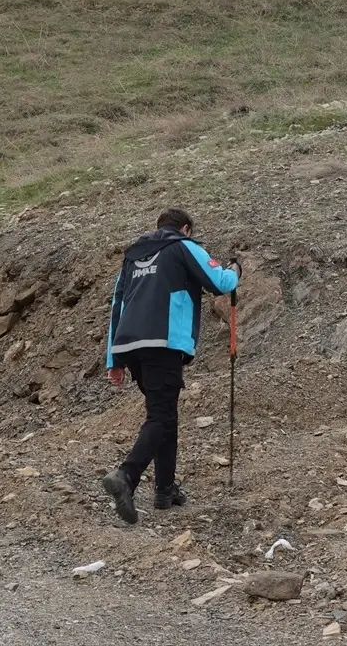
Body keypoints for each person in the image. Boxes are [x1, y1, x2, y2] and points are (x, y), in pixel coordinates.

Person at [100, 208, 241, 524]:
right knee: (161, 416)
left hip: (130, 345)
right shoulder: (182, 246)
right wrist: (236, 270)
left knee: (165, 415)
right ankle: (127, 475)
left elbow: (117, 305)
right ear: (186, 228)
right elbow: (219, 282)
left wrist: (115, 360)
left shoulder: (133, 256)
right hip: (162, 343)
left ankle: (165, 489)